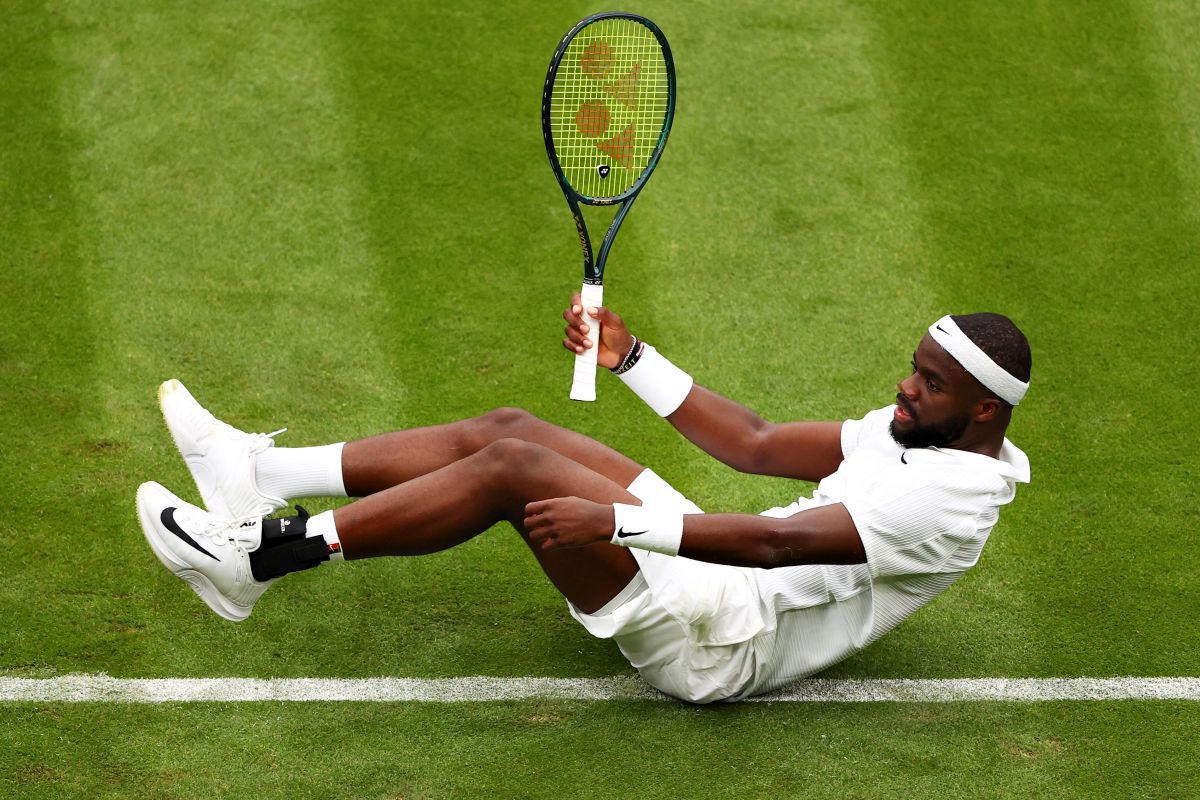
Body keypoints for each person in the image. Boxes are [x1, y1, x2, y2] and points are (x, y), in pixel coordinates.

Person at [135, 298, 1031, 703]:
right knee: (510, 425)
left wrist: (616, 522)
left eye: (929, 382)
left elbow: (776, 549)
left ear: (983, 408)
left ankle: (255, 562)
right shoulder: (915, 428)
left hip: (722, 641)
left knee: (512, 467)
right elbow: (754, 444)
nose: (905, 389)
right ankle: (256, 481)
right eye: (915, 370)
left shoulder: (953, 503)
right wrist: (631, 356)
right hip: (717, 582)